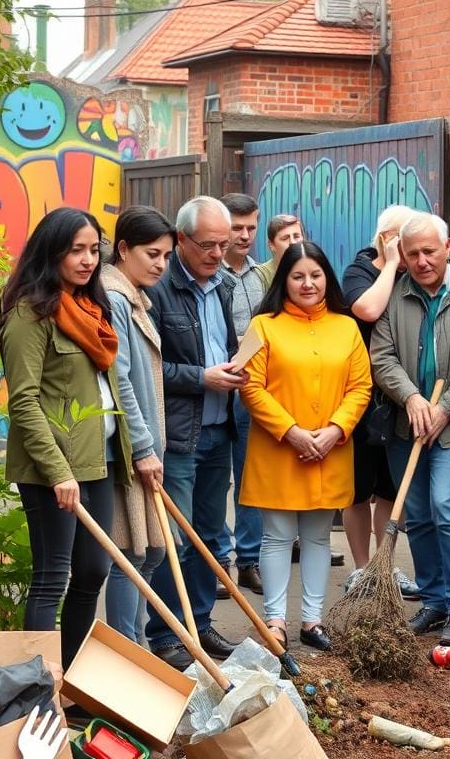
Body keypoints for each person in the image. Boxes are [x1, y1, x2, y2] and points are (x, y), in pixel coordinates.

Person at [0, 207, 132, 668]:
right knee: (52, 577)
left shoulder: (92, 310)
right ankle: (37, 686)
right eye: (76, 250)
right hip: (51, 470)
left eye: (94, 249)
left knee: (93, 571)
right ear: (51, 251)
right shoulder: (28, 316)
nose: (88, 259)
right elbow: (25, 402)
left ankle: (71, 680)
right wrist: (57, 472)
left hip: (96, 459)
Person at [239, 242, 371, 652]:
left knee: (317, 538)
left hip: (332, 446)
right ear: (285, 280)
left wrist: (336, 429)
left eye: (315, 275)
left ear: (327, 279)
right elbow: (250, 387)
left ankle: (312, 620)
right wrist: (291, 431)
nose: (308, 283)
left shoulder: (346, 327)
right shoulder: (263, 326)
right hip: (278, 447)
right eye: (298, 276)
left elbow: (360, 386)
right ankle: (274, 621)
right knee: (277, 537)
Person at [371, 211, 450, 645]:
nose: (422, 260)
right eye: (413, 253)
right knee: (418, 514)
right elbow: (381, 357)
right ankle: (435, 600)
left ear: (448, 248)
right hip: (407, 422)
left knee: (446, 506)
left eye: (429, 251)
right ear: (401, 254)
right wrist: (411, 397)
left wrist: (446, 407)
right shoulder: (395, 295)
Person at [144, 196, 246, 669]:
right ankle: (166, 633)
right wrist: (201, 376)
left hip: (219, 426)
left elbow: (222, 344)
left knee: (209, 535)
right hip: (178, 435)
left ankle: (200, 626)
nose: (218, 254)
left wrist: (237, 366)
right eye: (208, 245)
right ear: (181, 239)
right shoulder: (158, 290)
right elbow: (147, 367)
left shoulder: (223, 284)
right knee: (175, 537)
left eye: (223, 245)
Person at [100, 206, 175, 644]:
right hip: (129, 450)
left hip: (145, 447)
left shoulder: (134, 296)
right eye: (152, 253)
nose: (160, 264)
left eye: (166, 256)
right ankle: (128, 651)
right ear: (124, 249)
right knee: (130, 554)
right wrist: (144, 447)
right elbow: (120, 378)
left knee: (151, 551)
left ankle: (138, 646)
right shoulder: (115, 298)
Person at [341, 204, 420, 599]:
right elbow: (367, 309)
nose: (414, 253)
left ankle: (384, 567)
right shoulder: (359, 270)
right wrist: (389, 265)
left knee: (391, 488)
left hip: (395, 398)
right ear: (387, 239)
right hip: (357, 395)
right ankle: (359, 568)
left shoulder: (413, 275)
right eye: (405, 243)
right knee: (357, 488)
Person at [215, 192, 265, 598]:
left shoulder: (259, 275)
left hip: (252, 388)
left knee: (251, 476)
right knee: (216, 480)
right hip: (215, 387)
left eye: (251, 226)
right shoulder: (210, 275)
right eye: (237, 227)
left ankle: (249, 561)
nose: (245, 235)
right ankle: (219, 563)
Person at [257, 214, 305, 287]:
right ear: (271, 245)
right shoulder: (260, 276)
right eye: (285, 238)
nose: (292, 242)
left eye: (296, 236)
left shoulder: (312, 272)